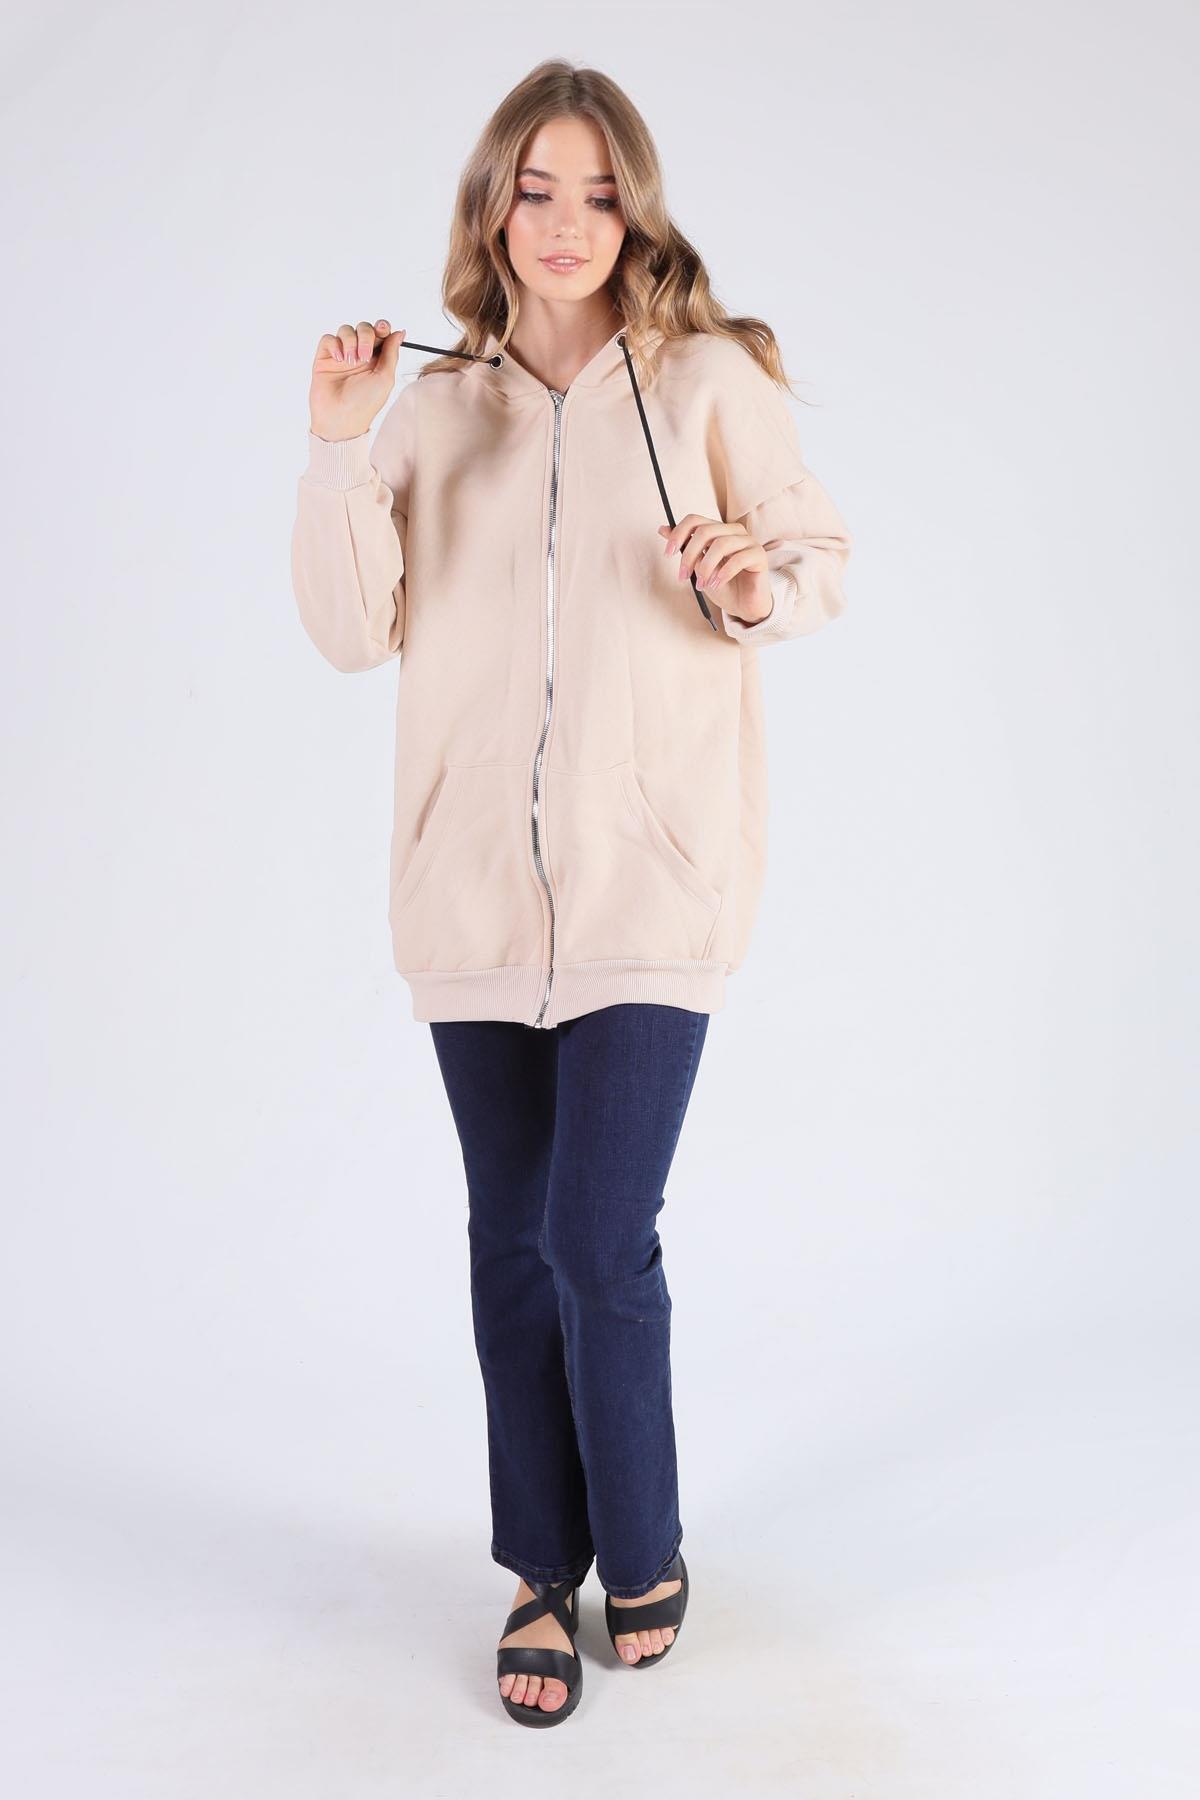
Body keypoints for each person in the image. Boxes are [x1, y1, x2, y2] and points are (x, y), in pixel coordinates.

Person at [290, 59, 852, 1729]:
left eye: (599, 193)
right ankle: (540, 1564)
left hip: (654, 885)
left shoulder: (707, 383)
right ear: (493, 207)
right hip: (468, 895)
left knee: (598, 1236)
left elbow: (814, 561)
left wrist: (750, 581)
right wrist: (335, 448)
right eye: (535, 190)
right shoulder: (436, 410)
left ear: (636, 209)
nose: (566, 223)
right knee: (510, 1240)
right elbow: (350, 630)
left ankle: (646, 1542)